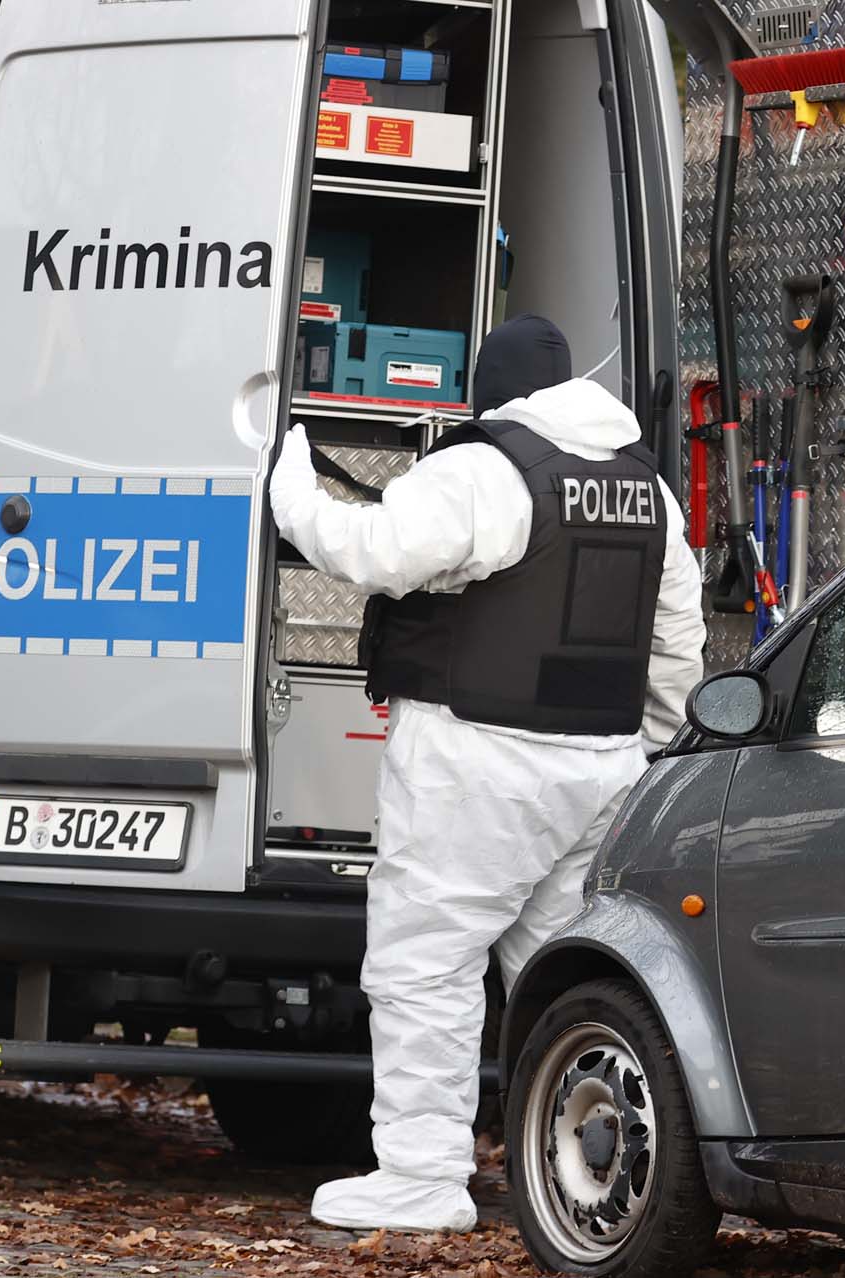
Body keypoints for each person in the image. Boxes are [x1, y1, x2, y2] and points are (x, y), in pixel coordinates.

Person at [267, 314, 706, 1233]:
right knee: (565, 974)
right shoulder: (649, 491)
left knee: (425, 965)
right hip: (601, 769)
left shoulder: (484, 470)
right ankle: (583, 1168)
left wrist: (294, 490)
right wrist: (648, 748)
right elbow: (675, 644)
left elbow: (375, 553)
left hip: (478, 763)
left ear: (494, 392)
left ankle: (421, 1176)